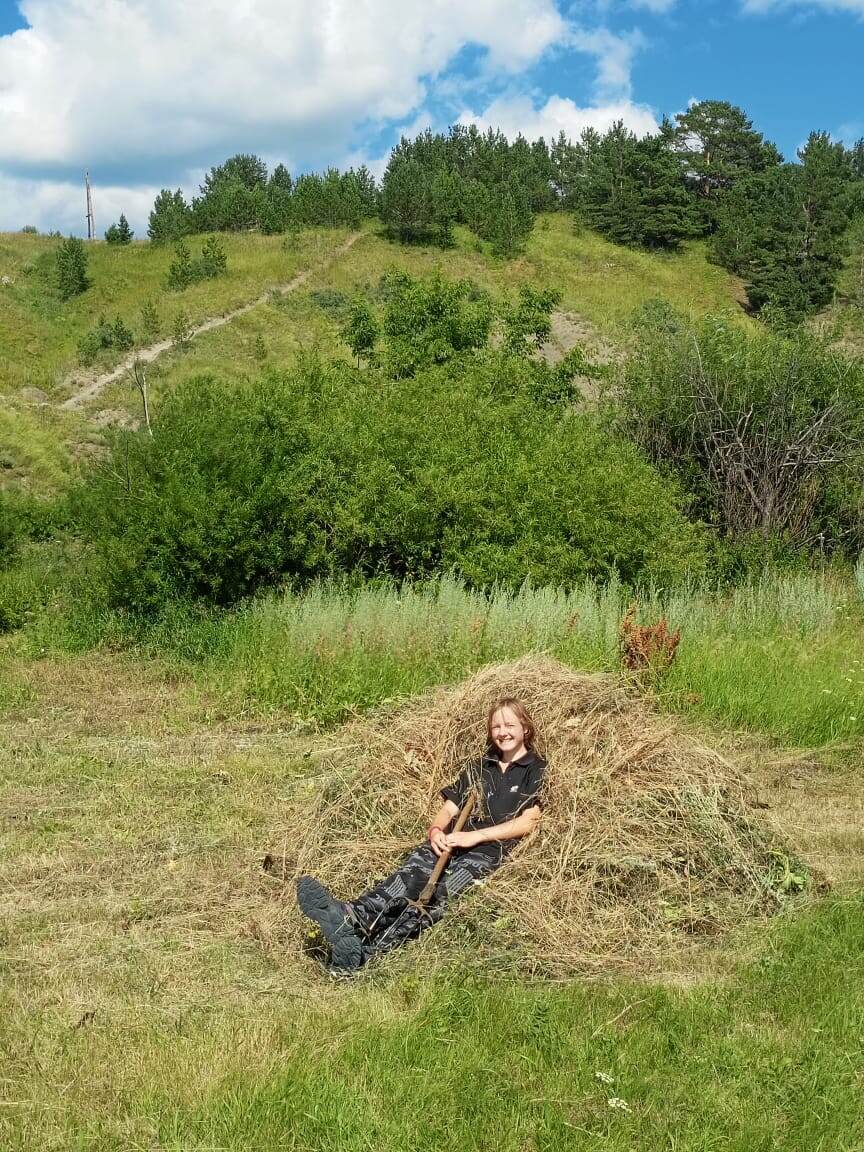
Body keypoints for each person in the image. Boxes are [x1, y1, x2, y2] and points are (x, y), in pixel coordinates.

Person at [296, 697, 545, 971]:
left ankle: (370, 953)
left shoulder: (536, 769)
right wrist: (436, 830)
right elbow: (449, 809)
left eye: (510, 725)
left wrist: (476, 837)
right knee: (407, 877)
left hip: (487, 853)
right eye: (496, 726)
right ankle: (351, 917)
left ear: (525, 728)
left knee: (439, 896)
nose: (503, 732)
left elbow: (529, 821)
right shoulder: (480, 766)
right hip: (448, 843)